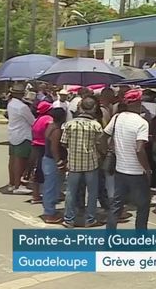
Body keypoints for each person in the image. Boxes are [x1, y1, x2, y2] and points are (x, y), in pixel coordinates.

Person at [105, 89, 152, 230]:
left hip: (120, 170)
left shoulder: (117, 118)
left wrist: (110, 150)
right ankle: (140, 239)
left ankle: (110, 237)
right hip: (137, 172)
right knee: (143, 206)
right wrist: (147, 169)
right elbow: (139, 149)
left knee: (116, 206)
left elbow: (103, 137)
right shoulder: (142, 123)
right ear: (138, 102)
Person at [60, 97, 104, 228]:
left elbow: (63, 143)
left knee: (71, 192)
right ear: (94, 108)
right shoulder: (96, 125)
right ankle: (90, 219)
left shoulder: (70, 124)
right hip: (91, 163)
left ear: (80, 108)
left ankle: (69, 219)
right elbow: (100, 144)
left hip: (74, 163)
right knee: (92, 192)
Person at [7, 83, 35, 194]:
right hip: (23, 135)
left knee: (13, 160)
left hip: (13, 133)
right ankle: (18, 185)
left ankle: (12, 183)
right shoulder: (22, 107)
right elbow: (32, 121)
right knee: (20, 161)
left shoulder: (11, 103)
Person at [41, 108, 66, 224]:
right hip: (52, 161)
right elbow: (54, 148)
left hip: (46, 159)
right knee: (51, 187)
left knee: (49, 187)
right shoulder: (56, 130)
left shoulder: (50, 127)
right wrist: (59, 162)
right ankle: (49, 214)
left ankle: (49, 211)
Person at [30, 101, 54, 204]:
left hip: (36, 146)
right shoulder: (49, 119)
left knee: (37, 171)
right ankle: (47, 195)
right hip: (45, 147)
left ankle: (35, 195)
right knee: (47, 172)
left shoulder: (37, 119)